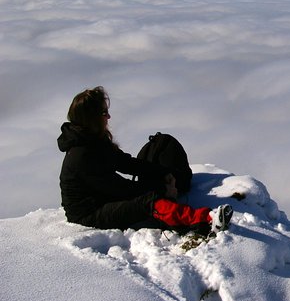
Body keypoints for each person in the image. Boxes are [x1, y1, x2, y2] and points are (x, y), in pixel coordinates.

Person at [58, 86, 232, 234]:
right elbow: (118, 188)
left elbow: (126, 163)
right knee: (148, 202)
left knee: (150, 189)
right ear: (91, 119)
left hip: (102, 198)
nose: (108, 117)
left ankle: (175, 210)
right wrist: (162, 190)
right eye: (104, 113)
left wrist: (164, 174)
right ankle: (204, 220)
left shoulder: (93, 140)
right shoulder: (82, 155)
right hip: (88, 214)